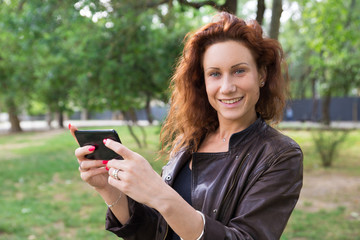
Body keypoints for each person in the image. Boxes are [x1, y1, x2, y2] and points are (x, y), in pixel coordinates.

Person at [70, 12, 303, 240]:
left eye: (239, 71)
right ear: (202, 80)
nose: (227, 87)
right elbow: (157, 231)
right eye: (214, 74)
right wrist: (108, 189)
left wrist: (159, 194)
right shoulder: (189, 141)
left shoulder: (280, 155)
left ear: (261, 74)